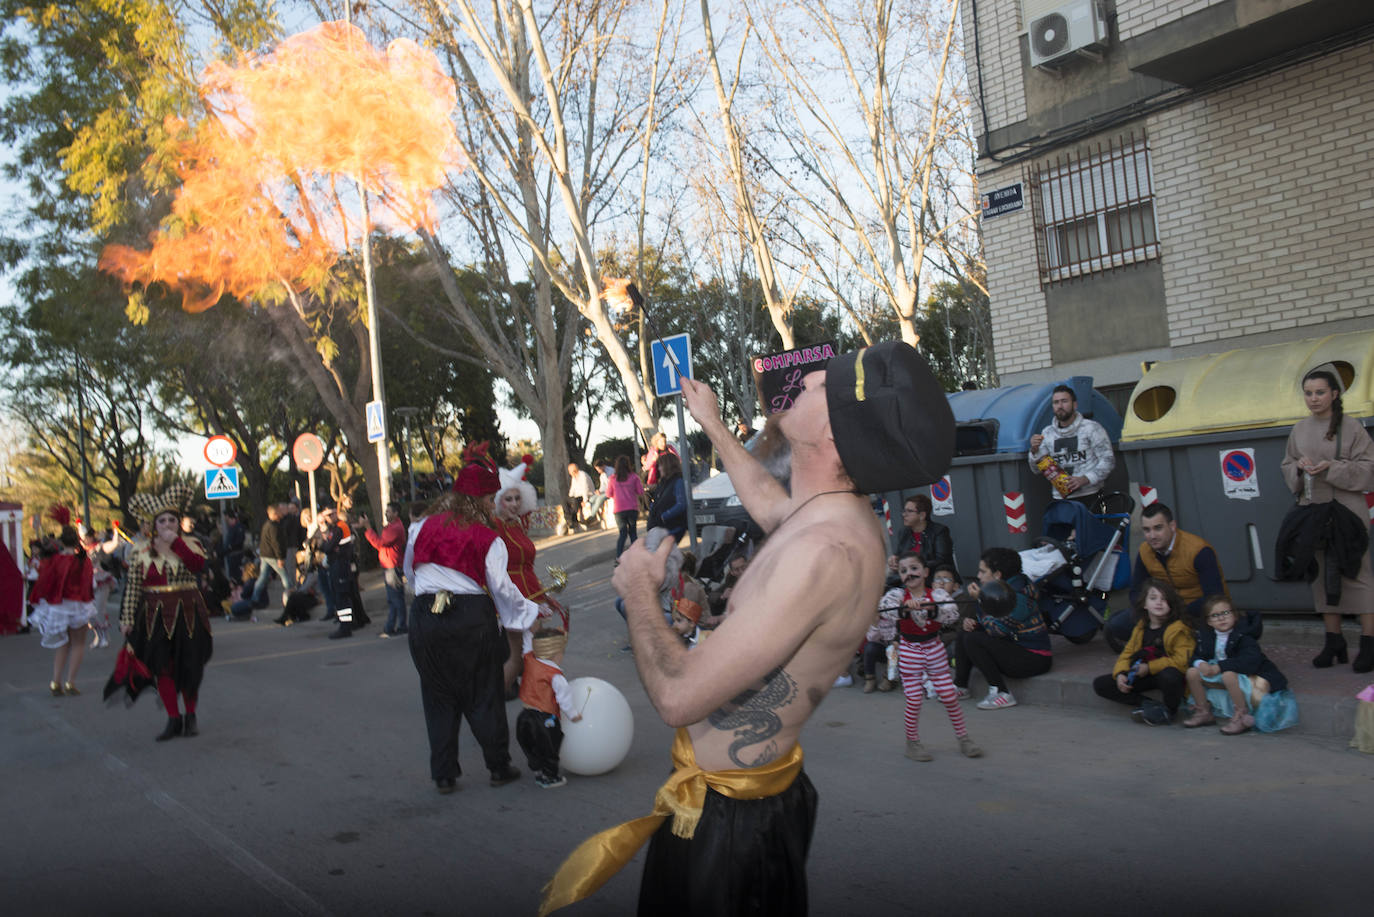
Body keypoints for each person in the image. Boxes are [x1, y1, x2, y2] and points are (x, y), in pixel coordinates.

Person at [540, 341, 955, 916]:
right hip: (731, 803)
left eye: (819, 386)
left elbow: (678, 695)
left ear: (833, 436)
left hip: (733, 832)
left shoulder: (820, 553)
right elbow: (769, 503)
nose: (806, 377)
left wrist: (638, 588)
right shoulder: (833, 513)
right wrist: (711, 421)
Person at [405, 442, 542, 794]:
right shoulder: (487, 537)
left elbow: (409, 571)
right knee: (484, 693)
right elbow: (502, 589)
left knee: (437, 695)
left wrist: (427, 594)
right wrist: (528, 613)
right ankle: (498, 766)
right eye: (488, 499)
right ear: (479, 499)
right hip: (470, 617)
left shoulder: (421, 528)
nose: (491, 505)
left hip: (425, 616)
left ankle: (444, 775)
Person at [1280, 367, 1374, 672]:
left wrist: (1330, 468)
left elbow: (1368, 468)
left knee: (1356, 573)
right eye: (1308, 393)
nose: (1313, 398)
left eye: (1320, 392)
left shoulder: (1352, 428)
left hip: (1347, 510)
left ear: (1335, 394)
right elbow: (1287, 463)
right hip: (1313, 509)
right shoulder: (1299, 429)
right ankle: (1334, 642)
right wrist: (1299, 468)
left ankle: (1370, 643)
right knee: (1319, 575)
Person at [115, 485, 214, 741]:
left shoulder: (191, 544)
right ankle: (173, 718)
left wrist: (176, 543)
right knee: (162, 666)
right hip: (154, 615)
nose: (168, 524)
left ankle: (190, 715)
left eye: (172, 519)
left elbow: (196, 566)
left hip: (188, 612)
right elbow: (134, 587)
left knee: (190, 666)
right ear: (153, 524)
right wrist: (126, 619)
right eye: (162, 520)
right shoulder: (140, 551)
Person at [891, 553, 979, 761]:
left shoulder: (938, 595)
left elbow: (952, 614)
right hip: (910, 650)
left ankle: (964, 738)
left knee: (949, 695)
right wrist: (904, 611)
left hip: (934, 648)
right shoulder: (896, 596)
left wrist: (932, 610)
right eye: (904, 571)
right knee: (913, 700)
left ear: (925, 572)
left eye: (914, 569)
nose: (909, 574)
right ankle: (912, 742)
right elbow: (886, 613)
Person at [1111, 502, 1239, 645]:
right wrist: (1150, 612)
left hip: (1195, 613)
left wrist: (1176, 614)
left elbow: (1213, 596)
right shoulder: (1144, 551)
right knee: (1115, 625)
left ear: (1172, 526)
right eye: (1147, 530)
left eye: (1158, 528)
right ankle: (1160, 639)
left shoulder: (1199, 550)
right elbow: (1136, 591)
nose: (1152, 536)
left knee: (1213, 634)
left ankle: (1163, 639)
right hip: (1161, 612)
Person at [492, 460, 563, 693]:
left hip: (531, 591)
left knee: (535, 652)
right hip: (513, 596)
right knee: (528, 654)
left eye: (517, 498)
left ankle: (539, 697)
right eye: (508, 499)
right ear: (498, 501)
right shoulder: (494, 527)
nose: (514, 504)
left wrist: (544, 592)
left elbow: (526, 564)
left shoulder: (517, 524)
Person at [953, 547, 1053, 710]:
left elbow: (996, 630)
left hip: (1034, 658)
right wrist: (974, 623)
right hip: (1013, 644)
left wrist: (980, 601)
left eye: (982, 572)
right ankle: (960, 686)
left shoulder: (1017, 597)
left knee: (974, 639)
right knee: (967, 632)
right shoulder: (1002, 589)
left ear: (997, 575)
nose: (978, 577)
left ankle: (1001, 692)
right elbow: (993, 622)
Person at [1182, 596, 1294, 735]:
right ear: (1209, 621)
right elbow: (1196, 655)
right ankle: (1203, 711)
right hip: (1221, 673)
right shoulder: (1206, 636)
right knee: (1192, 672)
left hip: (1248, 677)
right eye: (1215, 615)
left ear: (1235, 616)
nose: (1221, 618)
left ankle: (1241, 715)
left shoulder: (1244, 636)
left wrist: (1220, 666)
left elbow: (1249, 661)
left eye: (1225, 613)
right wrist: (1200, 663)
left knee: (1228, 674)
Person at [1092, 579, 1196, 726]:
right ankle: (1149, 704)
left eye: (1164, 599)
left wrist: (1149, 667)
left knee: (1170, 675)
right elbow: (1127, 654)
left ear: (1171, 605)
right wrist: (1121, 673)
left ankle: (1170, 710)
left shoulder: (1179, 629)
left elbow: (1182, 662)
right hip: (1143, 673)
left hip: (1169, 676)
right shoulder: (1141, 627)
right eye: (1153, 598)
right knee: (1101, 684)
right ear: (1145, 604)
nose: (1159, 603)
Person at [28, 507, 97, 695]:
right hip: (79, 604)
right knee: (79, 644)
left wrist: (43, 601)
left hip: (59, 606)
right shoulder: (83, 561)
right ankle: (70, 683)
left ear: (60, 540)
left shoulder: (54, 560)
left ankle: (55, 681)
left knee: (62, 644)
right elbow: (90, 584)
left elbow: (44, 582)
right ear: (77, 540)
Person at [516, 628, 582, 790]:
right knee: (550, 747)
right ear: (555, 653)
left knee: (530, 744)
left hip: (524, 716)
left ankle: (538, 771)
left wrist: (529, 627)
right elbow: (564, 699)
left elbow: (527, 641)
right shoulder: (555, 675)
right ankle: (550, 777)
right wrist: (573, 715)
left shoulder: (529, 658)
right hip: (544, 719)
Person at [1027, 384, 1115, 502]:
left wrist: (1085, 479)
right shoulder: (1047, 433)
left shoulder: (1091, 428)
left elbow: (1108, 460)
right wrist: (1034, 451)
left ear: (1074, 404)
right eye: (1056, 402)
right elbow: (1036, 470)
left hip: (1091, 495)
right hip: (1061, 499)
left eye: (1064, 401)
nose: (1060, 406)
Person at [362, 502, 408, 638]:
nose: (386, 514)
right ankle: (390, 626)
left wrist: (368, 528)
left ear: (396, 513)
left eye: (388, 511)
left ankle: (401, 625)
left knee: (396, 598)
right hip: (389, 565)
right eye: (386, 511)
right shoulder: (392, 527)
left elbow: (380, 543)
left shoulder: (395, 528)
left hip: (392, 566)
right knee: (393, 598)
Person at [886, 494, 954, 578]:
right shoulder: (904, 532)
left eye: (909, 511)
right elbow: (899, 555)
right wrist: (894, 560)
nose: (904, 514)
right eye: (904, 511)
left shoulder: (939, 531)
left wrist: (914, 565)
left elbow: (942, 561)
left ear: (922, 515)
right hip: (908, 579)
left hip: (933, 578)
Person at [249, 504, 288, 611]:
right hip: (272, 556)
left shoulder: (267, 524)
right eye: (279, 511)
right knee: (285, 578)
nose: (281, 513)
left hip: (265, 555)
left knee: (263, 577)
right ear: (274, 513)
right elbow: (276, 543)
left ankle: (254, 599)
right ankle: (289, 599)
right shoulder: (274, 526)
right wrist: (280, 557)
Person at [606, 455, 645, 559]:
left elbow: (608, 494)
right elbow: (640, 492)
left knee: (622, 533)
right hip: (632, 508)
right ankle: (636, 556)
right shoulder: (634, 477)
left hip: (619, 510)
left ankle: (619, 556)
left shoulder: (612, 479)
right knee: (633, 533)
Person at [644, 452, 688, 543]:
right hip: (660, 526)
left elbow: (681, 504)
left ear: (667, 466)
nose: (659, 469)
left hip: (672, 527)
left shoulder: (678, 481)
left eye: (660, 466)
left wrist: (664, 516)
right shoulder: (663, 483)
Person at [565, 461, 596, 532]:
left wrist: (585, 501)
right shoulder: (574, 478)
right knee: (565, 500)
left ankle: (574, 521)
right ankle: (568, 519)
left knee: (575, 501)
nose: (569, 473)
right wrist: (569, 497)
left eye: (570, 471)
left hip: (586, 495)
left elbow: (585, 489)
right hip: (577, 496)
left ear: (574, 471)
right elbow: (572, 490)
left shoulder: (583, 475)